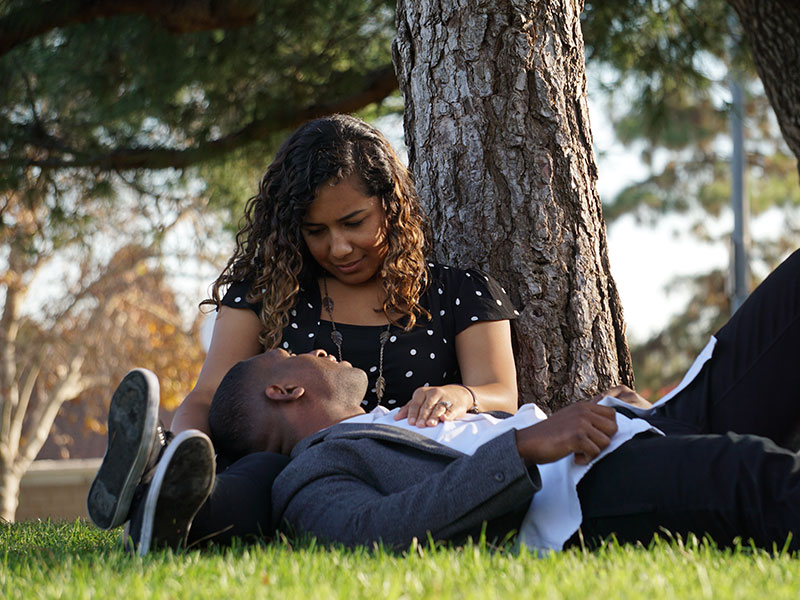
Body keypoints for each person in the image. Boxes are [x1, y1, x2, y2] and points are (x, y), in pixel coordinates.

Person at [125, 246, 800, 553]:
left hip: (641, 425)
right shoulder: (311, 477)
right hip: (586, 491)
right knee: (751, 476)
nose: (325, 351)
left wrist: (613, 409)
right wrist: (526, 445)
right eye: (306, 354)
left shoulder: (396, 417)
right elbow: (382, 533)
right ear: (284, 386)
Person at [87, 114, 519, 550]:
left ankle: (152, 494)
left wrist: (462, 395)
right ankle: (163, 477)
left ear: (393, 206)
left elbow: (503, 393)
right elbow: (208, 394)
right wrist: (187, 452)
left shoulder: (460, 292)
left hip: (405, 469)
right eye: (316, 232)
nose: (338, 247)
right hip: (296, 477)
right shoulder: (265, 291)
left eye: (354, 223)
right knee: (264, 474)